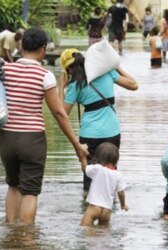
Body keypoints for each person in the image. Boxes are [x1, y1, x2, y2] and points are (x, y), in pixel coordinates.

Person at [0, 27, 88, 225]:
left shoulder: (4, 68)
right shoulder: (44, 76)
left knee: (13, 185)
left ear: (21, 46)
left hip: (6, 138)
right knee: (29, 191)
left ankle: (11, 233)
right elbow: (58, 113)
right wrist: (76, 144)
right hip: (33, 140)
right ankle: (26, 238)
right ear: (43, 49)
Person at [59, 48, 138, 192]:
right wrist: (115, 66)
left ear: (68, 69)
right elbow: (134, 85)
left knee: (90, 180)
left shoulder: (75, 85)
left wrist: (61, 87)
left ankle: (89, 208)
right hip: (112, 133)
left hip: (90, 136)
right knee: (110, 174)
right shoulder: (107, 73)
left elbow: (62, 113)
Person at [81, 142, 128, 226]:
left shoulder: (97, 169)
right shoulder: (118, 175)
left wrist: (83, 156)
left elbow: (85, 169)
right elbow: (121, 194)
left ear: (98, 158)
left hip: (94, 207)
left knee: (85, 228)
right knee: (104, 234)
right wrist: (123, 205)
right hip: (107, 210)